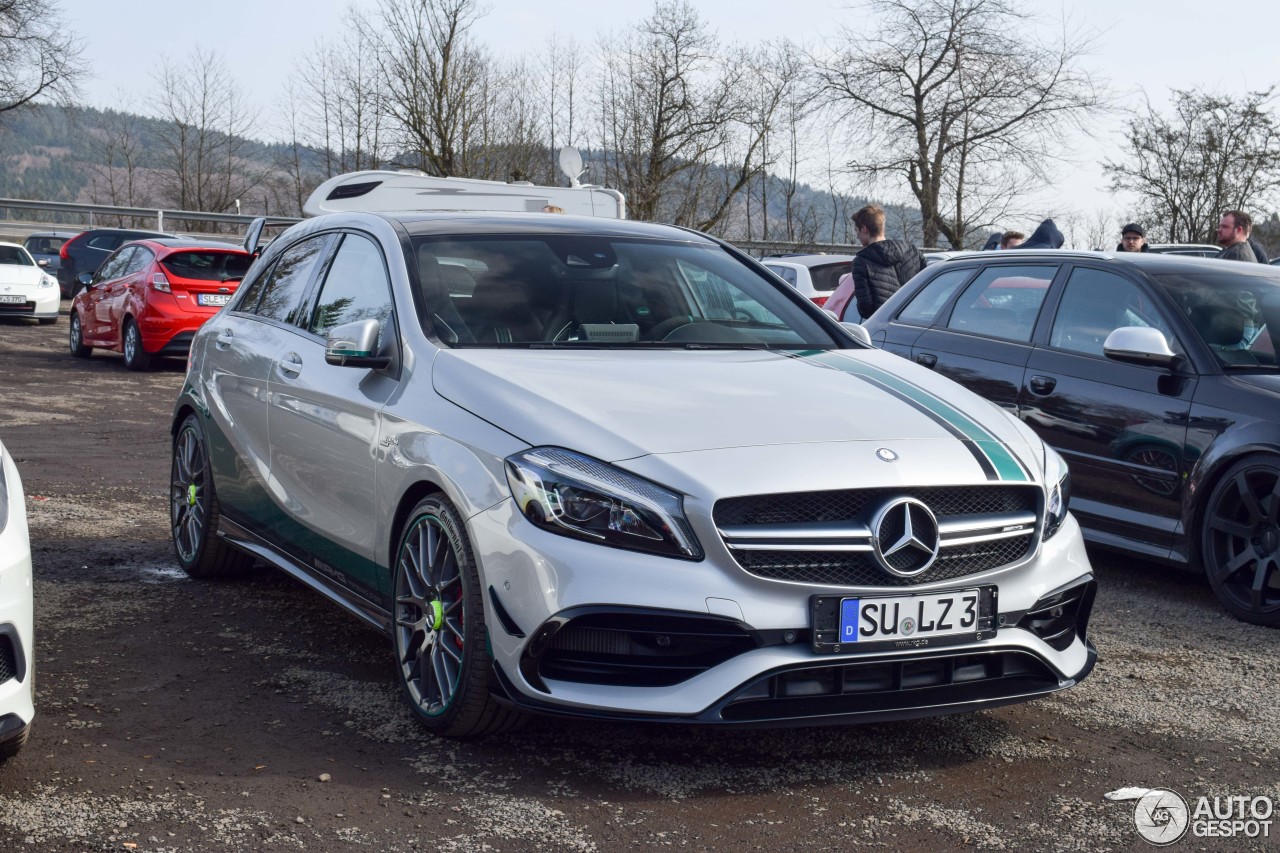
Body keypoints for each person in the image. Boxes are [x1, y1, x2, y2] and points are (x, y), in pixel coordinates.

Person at [850, 204, 926, 319]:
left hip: (884, 325)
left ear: (864, 229)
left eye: (857, 230)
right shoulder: (912, 251)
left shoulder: (861, 262)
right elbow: (929, 289)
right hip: (916, 322)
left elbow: (866, 308)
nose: (857, 236)